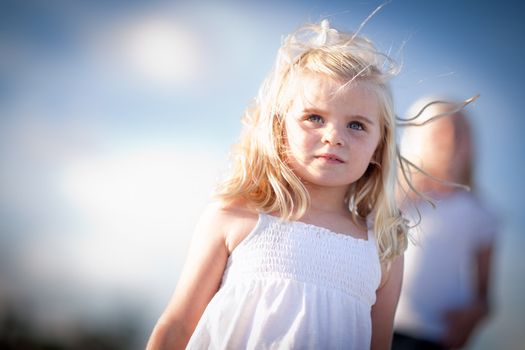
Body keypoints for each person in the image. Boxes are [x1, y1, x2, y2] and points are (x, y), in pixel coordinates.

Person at [146, 19, 410, 350]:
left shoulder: (382, 248)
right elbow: (178, 324)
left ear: (379, 147)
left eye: (356, 125)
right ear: (279, 128)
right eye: (315, 118)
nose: (334, 137)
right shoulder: (235, 216)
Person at [392, 99, 499, 350]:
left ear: (471, 144)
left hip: (436, 335)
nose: (450, 139)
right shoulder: (395, 201)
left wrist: (472, 316)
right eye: (440, 131)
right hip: (383, 323)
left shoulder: (480, 213)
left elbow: (484, 296)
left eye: (460, 131)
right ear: (416, 140)